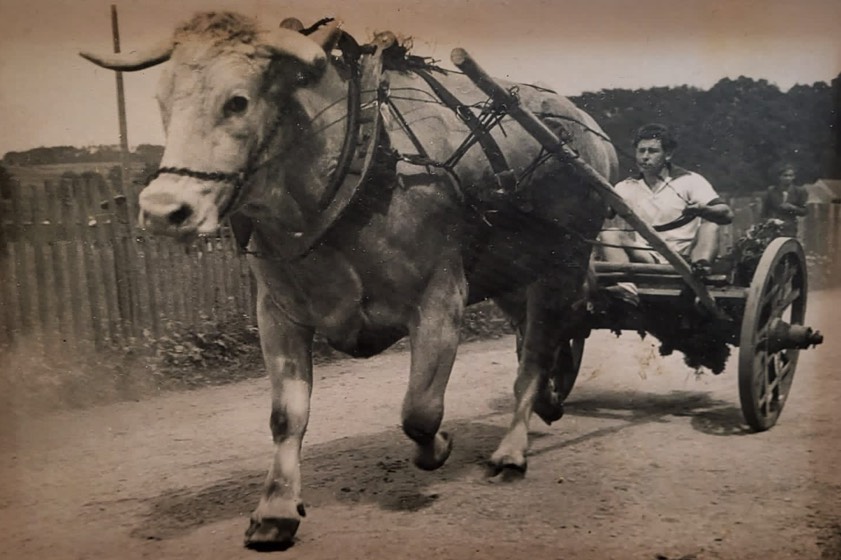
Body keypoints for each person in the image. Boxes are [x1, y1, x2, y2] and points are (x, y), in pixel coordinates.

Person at [599, 123, 734, 277]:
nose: (645, 157)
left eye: (652, 151)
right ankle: (626, 286)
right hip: (648, 256)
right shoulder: (626, 186)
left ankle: (700, 271)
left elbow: (727, 214)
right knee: (610, 234)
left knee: (710, 226)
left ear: (668, 155)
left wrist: (703, 210)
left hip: (686, 257)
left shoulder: (690, 180)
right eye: (641, 151)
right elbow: (604, 212)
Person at [760, 162, 808, 237]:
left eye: (790, 176)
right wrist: (770, 220)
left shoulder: (799, 191)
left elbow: (804, 211)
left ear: (794, 177)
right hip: (773, 228)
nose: (788, 178)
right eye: (785, 175)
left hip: (790, 228)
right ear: (780, 177)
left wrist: (792, 207)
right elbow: (764, 212)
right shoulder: (772, 191)